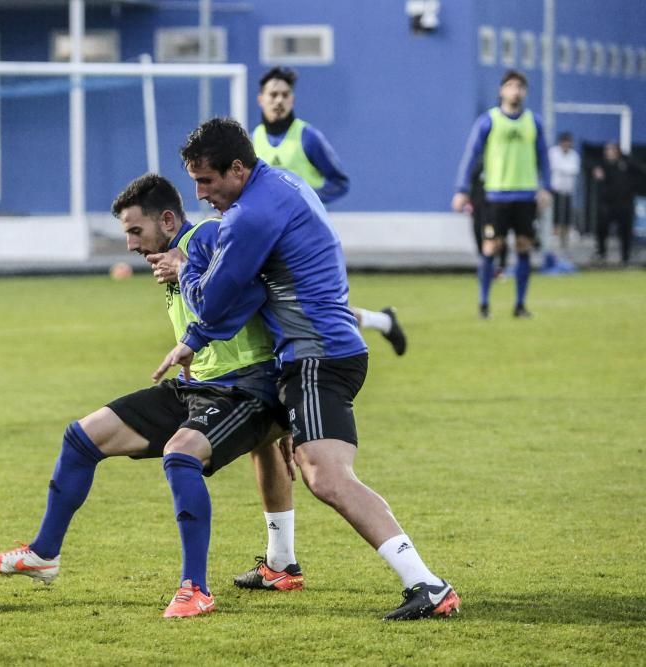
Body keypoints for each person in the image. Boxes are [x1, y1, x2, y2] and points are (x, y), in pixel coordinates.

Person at [152, 118, 460, 621]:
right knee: (267, 445)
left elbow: (216, 299)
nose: (200, 193)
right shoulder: (282, 182)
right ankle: (279, 562)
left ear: (236, 169)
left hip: (316, 357)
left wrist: (187, 268)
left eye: (206, 181)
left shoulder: (250, 215)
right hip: (317, 350)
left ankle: (426, 583)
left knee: (326, 477)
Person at [0, 173, 291, 619]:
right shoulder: (171, 256)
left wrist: (188, 264)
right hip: (196, 384)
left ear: (167, 220)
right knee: (82, 437)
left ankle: (195, 588)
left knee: (180, 457)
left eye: (135, 231)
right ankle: (44, 553)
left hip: (247, 387)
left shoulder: (207, 233)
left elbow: (256, 274)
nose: (129, 244)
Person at [252, 66, 407, 357]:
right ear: (261, 99)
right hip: (269, 239)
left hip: (307, 240)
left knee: (312, 309)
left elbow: (339, 181)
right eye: (273, 94)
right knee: (288, 307)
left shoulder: (307, 137)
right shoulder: (253, 140)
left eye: (285, 95)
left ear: (293, 100)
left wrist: (307, 200)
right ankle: (382, 321)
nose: (279, 100)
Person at [453, 69, 552, 319]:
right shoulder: (489, 120)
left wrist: (546, 187)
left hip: (525, 195)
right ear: (501, 91)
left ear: (525, 92)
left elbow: (543, 157)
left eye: (520, 86)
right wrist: (462, 189)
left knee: (523, 246)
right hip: (496, 195)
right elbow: (471, 155)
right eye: (510, 86)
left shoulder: (534, 122)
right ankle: (484, 305)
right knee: (491, 247)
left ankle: (520, 305)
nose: (515, 91)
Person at [593, 142, 645, 266]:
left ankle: (625, 257)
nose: (608, 152)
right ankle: (601, 254)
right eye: (607, 150)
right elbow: (591, 167)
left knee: (625, 231)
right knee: (602, 227)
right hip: (608, 203)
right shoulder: (603, 165)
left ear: (617, 151)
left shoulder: (627, 164)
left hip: (625, 203)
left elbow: (641, 171)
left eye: (611, 150)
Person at [548, 132, 581, 254]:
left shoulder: (574, 155)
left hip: (568, 190)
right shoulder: (553, 152)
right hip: (556, 190)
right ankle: (554, 242)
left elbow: (574, 169)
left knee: (566, 217)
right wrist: (564, 169)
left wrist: (562, 169)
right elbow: (554, 166)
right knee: (555, 216)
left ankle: (564, 243)